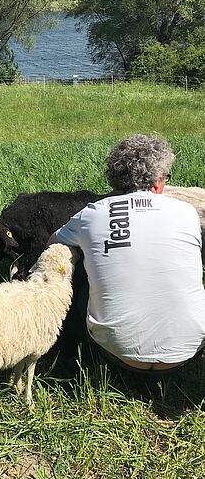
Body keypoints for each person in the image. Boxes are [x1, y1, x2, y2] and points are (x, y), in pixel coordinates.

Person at [49, 134, 205, 373]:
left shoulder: (91, 214)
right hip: (189, 351)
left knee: (77, 262)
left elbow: (53, 243)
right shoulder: (186, 211)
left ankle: (71, 351)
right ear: (157, 183)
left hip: (117, 352)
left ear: (116, 180)